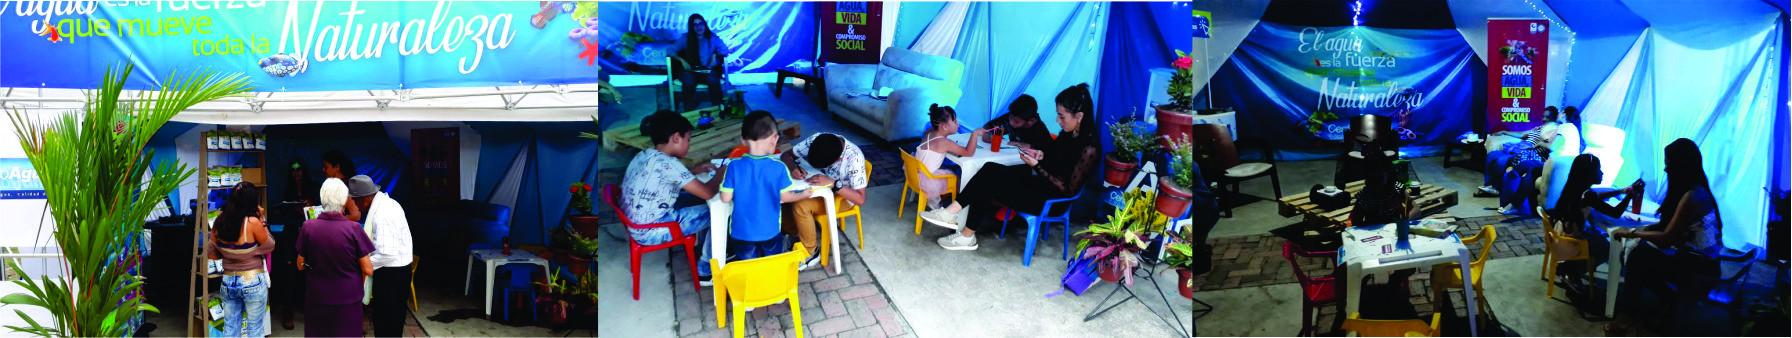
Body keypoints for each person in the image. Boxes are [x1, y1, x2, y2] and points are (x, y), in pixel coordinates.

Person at [920, 84, 1102, 251]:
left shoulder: (1090, 148)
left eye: (1061, 116)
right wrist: (1042, 155)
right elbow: (1054, 158)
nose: (1057, 120)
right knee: (989, 169)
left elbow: (1068, 191)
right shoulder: (1068, 134)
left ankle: (963, 231)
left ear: (1079, 116)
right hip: (1040, 184)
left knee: (986, 182)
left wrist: (1037, 166)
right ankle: (954, 217)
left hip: (1051, 201)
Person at [1606, 138, 1726, 335]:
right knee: (1638, 252)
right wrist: (1641, 232)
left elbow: (1668, 237)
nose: (1665, 170)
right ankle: (1670, 302)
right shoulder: (1692, 191)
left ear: (1681, 166)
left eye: (1668, 165)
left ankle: (1627, 315)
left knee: (1639, 255)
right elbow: (1667, 226)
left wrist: (1631, 233)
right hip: (1696, 260)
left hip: (1703, 268)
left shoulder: (1693, 196)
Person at [622, 110, 722, 283]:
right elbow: (708, 192)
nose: (688, 146)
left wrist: (692, 172)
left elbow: (666, 178)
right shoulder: (670, 164)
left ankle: (707, 245)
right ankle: (706, 269)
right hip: (651, 230)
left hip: (636, 222)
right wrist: (722, 173)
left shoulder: (645, 154)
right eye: (688, 140)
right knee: (718, 211)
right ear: (676, 138)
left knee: (702, 200)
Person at [720, 111, 813, 260]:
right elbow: (786, 197)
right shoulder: (779, 168)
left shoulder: (733, 167)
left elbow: (725, 198)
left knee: (748, 265)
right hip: (770, 231)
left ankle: (753, 283)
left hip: (741, 232)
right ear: (775, 139)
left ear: (743, 141)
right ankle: (770, 282)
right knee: (772, 261)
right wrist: (804, 194)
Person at [1545, 154, 1642, 291]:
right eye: (1599, 170)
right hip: (1570, 242)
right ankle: (1571, 271)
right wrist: (1629, 196)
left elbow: (1597, 197)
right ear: (1588, 174)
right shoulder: (1587, 195)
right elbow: (1615, 213)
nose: (1602, 173)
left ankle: (1566, 267)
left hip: (1559, 234)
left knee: (1600, 238)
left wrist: (1621, 191)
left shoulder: (1575, 188)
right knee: (1607, 248)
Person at [296, 178, 375, 338]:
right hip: (349, 296)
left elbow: (300, 265)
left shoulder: (308, 227)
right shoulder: (353, 228)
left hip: (317, 295)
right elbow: (368, 269)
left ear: (322, 199)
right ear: (344, 202)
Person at [779, 132, 870, 267]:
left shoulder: (854, 158)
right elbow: (785, 155)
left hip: (842, 197)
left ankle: (811, 252)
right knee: (788, 194)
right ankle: (793, 235)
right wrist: (793, 168)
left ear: (838, 160)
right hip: (818, 188)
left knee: (801, 205)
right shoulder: (818, 140)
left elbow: (860, 199)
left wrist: (833, 183)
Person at [347, 175, 413, 337]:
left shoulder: (383, 213)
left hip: (392, 276)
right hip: (392, 273)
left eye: (355, 201)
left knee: (387, 324)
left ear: (365, 199)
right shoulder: (386, 204)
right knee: (387, 322)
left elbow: (386, 253)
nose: (355, 205)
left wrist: (362, 265)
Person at [208, 182, 275, 338]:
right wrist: (262, 219)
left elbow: (212, 255)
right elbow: (270, 245)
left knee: (230, 328)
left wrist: (230, 254)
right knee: (255, 330)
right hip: (253, 280)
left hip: (228, 280)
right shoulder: (252, 223)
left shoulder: (219, 222)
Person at [916, 104, 984, 208]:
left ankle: (939, 198)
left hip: (917, 175)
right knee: (962, 181)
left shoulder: (928, 133)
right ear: (944, 126)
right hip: (929, 181)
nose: (958, 123)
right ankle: (945, 204)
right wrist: (974, 134)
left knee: (952, 170)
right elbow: (968, 152)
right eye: (955, 120)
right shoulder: (944, 142)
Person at [669, 13, 729, 111]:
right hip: (689, 71)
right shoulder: (686, 38)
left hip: (705, 71)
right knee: (688, 81)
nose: (698, 27)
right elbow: (670, 50)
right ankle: (689, 112)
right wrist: (682, 60)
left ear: (705, 24)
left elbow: (725, 50)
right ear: (691, 27)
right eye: (695, 25)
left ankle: (717, 110)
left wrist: (715, 54)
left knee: (713, 79)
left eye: (701, 23)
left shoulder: (712, 38)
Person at [980, 95, 1053, 148]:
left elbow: (1048, 149)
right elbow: (989, 125)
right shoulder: (1014, 115)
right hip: (1012, 157)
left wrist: (1027, 145)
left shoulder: (1039, 128)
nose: (1011, 122)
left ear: (1030, 121)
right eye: (1010, 117)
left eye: (1016, 122)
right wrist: (986, 133)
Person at [320, 150, 363, 221]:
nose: (323, 169)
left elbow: (355, 215)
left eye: (326, 166)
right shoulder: (337, 185)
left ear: (337, 167)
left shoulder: (347, 186)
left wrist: (331, 221)